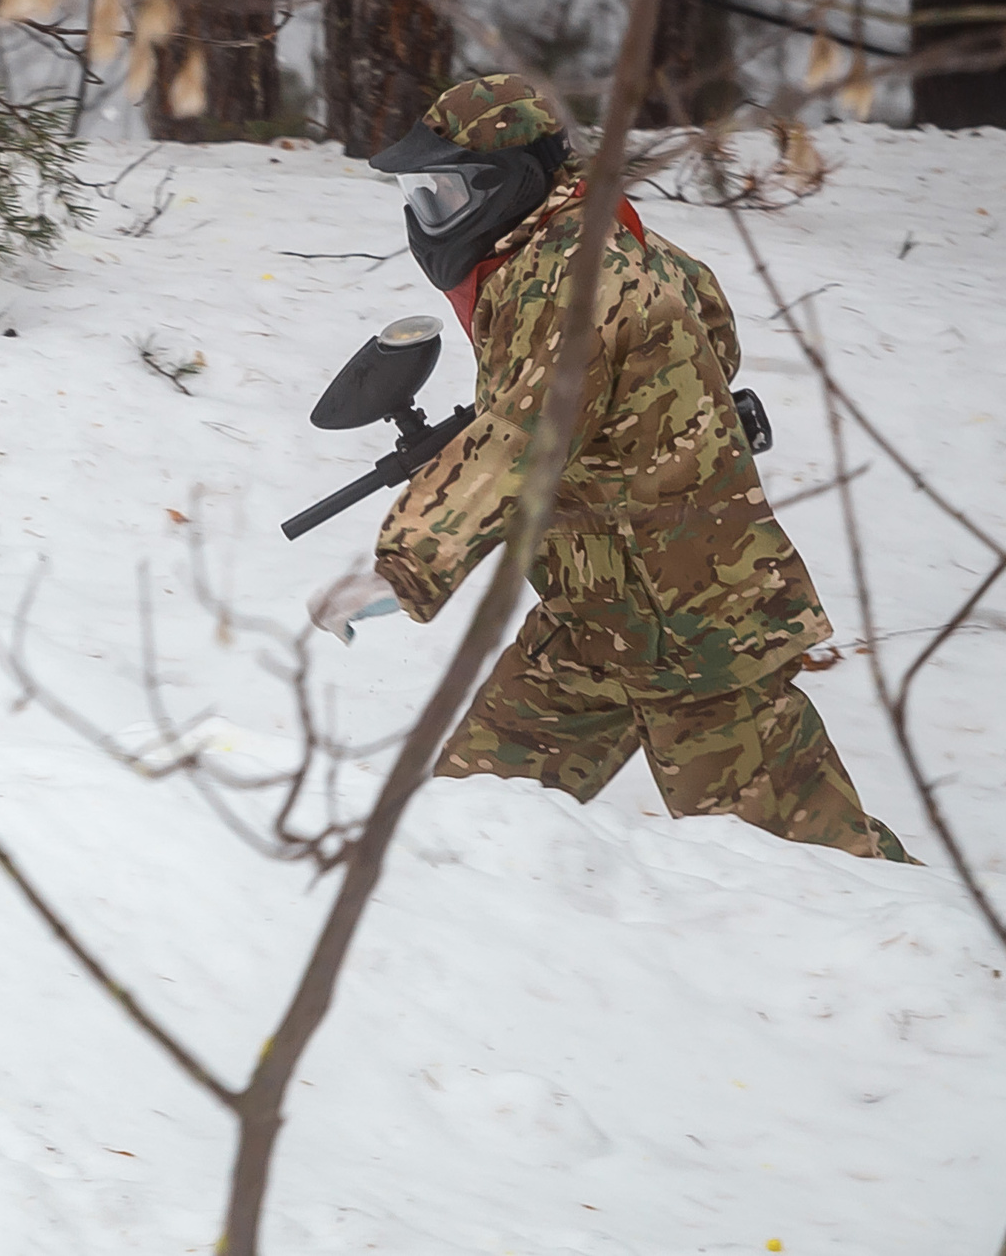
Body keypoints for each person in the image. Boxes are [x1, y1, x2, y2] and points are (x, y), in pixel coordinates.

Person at [307, 73, 907, 861]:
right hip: (594, 624)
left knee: (831, 875)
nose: (431, 219)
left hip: (695, 640)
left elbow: (520, 438)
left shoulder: (570, 275)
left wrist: (407, 565)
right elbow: (710, 330)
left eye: (446, 194)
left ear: (515, 184)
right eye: (422, 196)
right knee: (459, 825)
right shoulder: (591, 236)